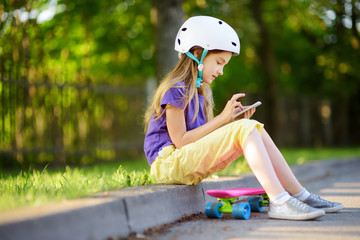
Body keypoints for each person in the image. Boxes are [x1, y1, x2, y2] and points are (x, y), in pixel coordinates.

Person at [144, 16, 343, 220]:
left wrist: (231, 123)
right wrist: (223, 119)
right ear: (197, 53)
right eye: (219, 62)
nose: (221, 71)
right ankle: (280, 201)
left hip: (182, 160)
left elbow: (199, 140)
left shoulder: (200, 93)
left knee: (252, 126)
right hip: (167, 164)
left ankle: (301, 195)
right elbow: (181, 141)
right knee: (246, 128)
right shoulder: (176, 89)